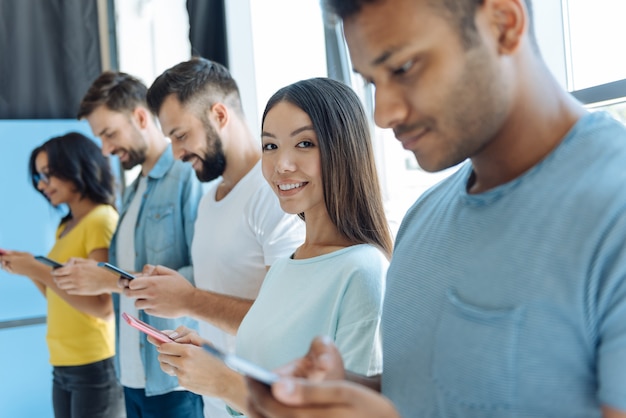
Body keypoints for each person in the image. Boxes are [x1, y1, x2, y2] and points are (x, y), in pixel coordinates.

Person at [244, 0, 626, 417]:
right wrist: (345, 390)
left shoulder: (612, 210)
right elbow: (427, 394)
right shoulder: (423, 218)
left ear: (502, 23)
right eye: (372, 81)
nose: (383, 113)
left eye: (404, 68)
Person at [149, 77, 393, 415]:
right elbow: (263, 384)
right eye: (270, 146)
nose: (282, 165)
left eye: (304, 143)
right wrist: (215, 363)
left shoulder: (363, 271)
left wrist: (223, 382)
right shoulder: (282, 268)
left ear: (344, 148)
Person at [121, 57, 305, 417]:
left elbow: (284, 321)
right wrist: (174, 288)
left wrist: (188, 300)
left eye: (181, 135)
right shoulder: (208, 202)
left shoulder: (277, 194)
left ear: (220, 115)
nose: (176, 153)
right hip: (216, 404)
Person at [52, 71, 206, 418]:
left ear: (139, 117)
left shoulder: (186, 177)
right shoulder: (132, 192)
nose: (105, 149)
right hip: (132, 378)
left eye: (109, 134)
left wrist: (109, 280)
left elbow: (202, 276)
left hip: (175, 380)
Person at [0, 132, 124, 418]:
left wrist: (36, 268)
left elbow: (103, 307)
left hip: (94, 365)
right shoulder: (65, 227)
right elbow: (59, 294)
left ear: (76, 167)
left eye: (48, 174)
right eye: (39, 177)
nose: (42, 185)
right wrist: (30, 269)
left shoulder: (101, 219)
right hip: (63, 365)